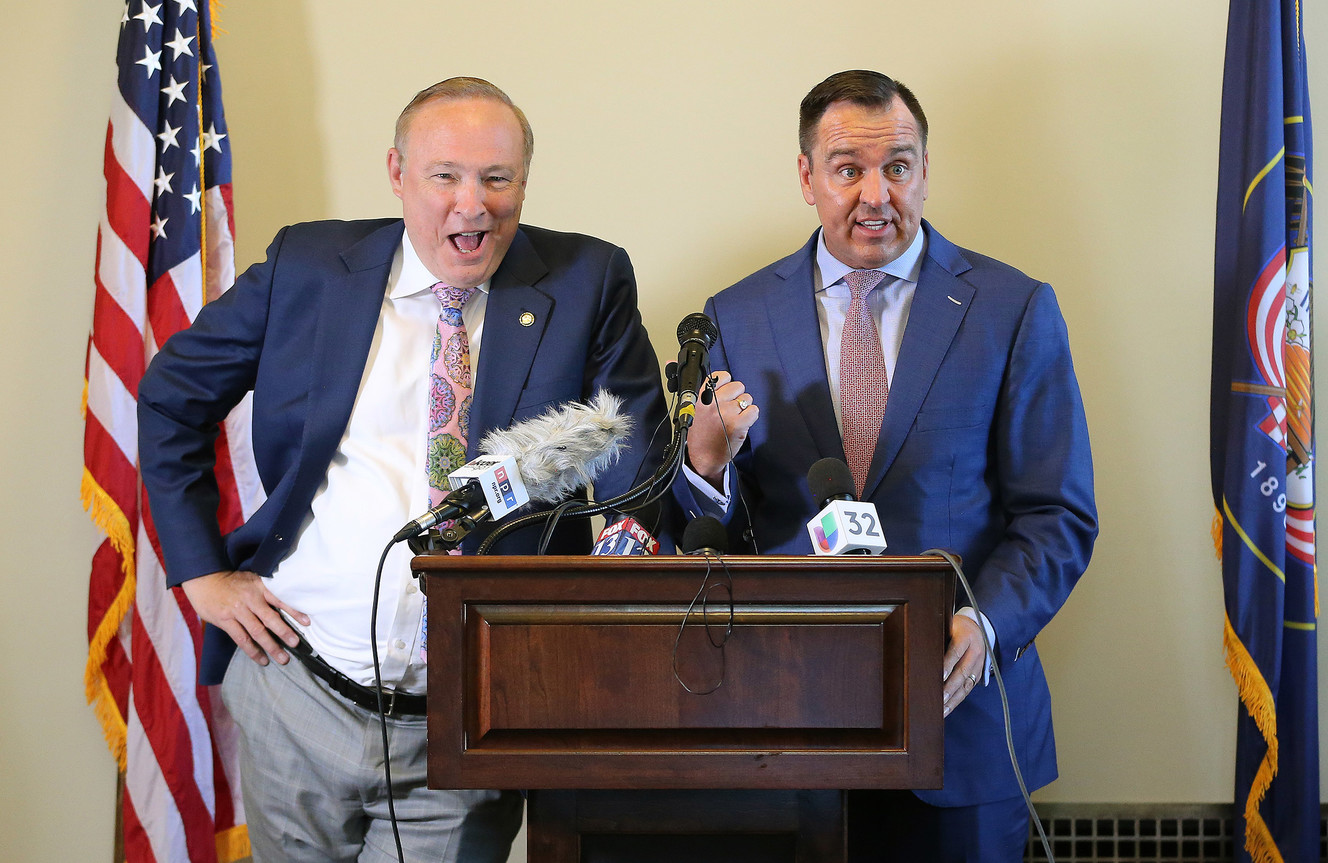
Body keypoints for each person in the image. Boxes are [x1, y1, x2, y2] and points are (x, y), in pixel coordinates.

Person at [139, 77, 668, 862]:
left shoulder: (586, 282)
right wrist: (200, 573)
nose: (473, 204)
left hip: (470, 711)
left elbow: (638, 463)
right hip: (296, 686)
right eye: (445, 175)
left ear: (524, 179)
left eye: (498, 178)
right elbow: (170, 395)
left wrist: (587, 624)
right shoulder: (309, 266)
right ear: (397, 172)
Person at [673, 70, 1097, 862]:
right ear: (806, 177)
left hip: (961, 729)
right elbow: (708, 534)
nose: (876, 194)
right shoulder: (736, 315)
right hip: (787, 723)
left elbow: (1057, 515)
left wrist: (986, 622)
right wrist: (703, 461)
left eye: (898, 166)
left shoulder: (1013, 309)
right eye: (848, 169)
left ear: (926, 171)